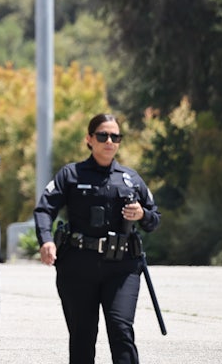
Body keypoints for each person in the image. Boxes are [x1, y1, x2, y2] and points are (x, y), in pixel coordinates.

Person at [34, 113, 161, 364]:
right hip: (78, 267)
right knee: (82, 336)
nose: (109, 141)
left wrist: (142, 214)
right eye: (103, 135)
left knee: (121, 330)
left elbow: (154, 219)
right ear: (89, 139)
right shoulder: (70, 175)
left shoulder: (131, 179)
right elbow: (45, 209)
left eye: (116, 136)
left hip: (122, 267)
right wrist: (46, 240)